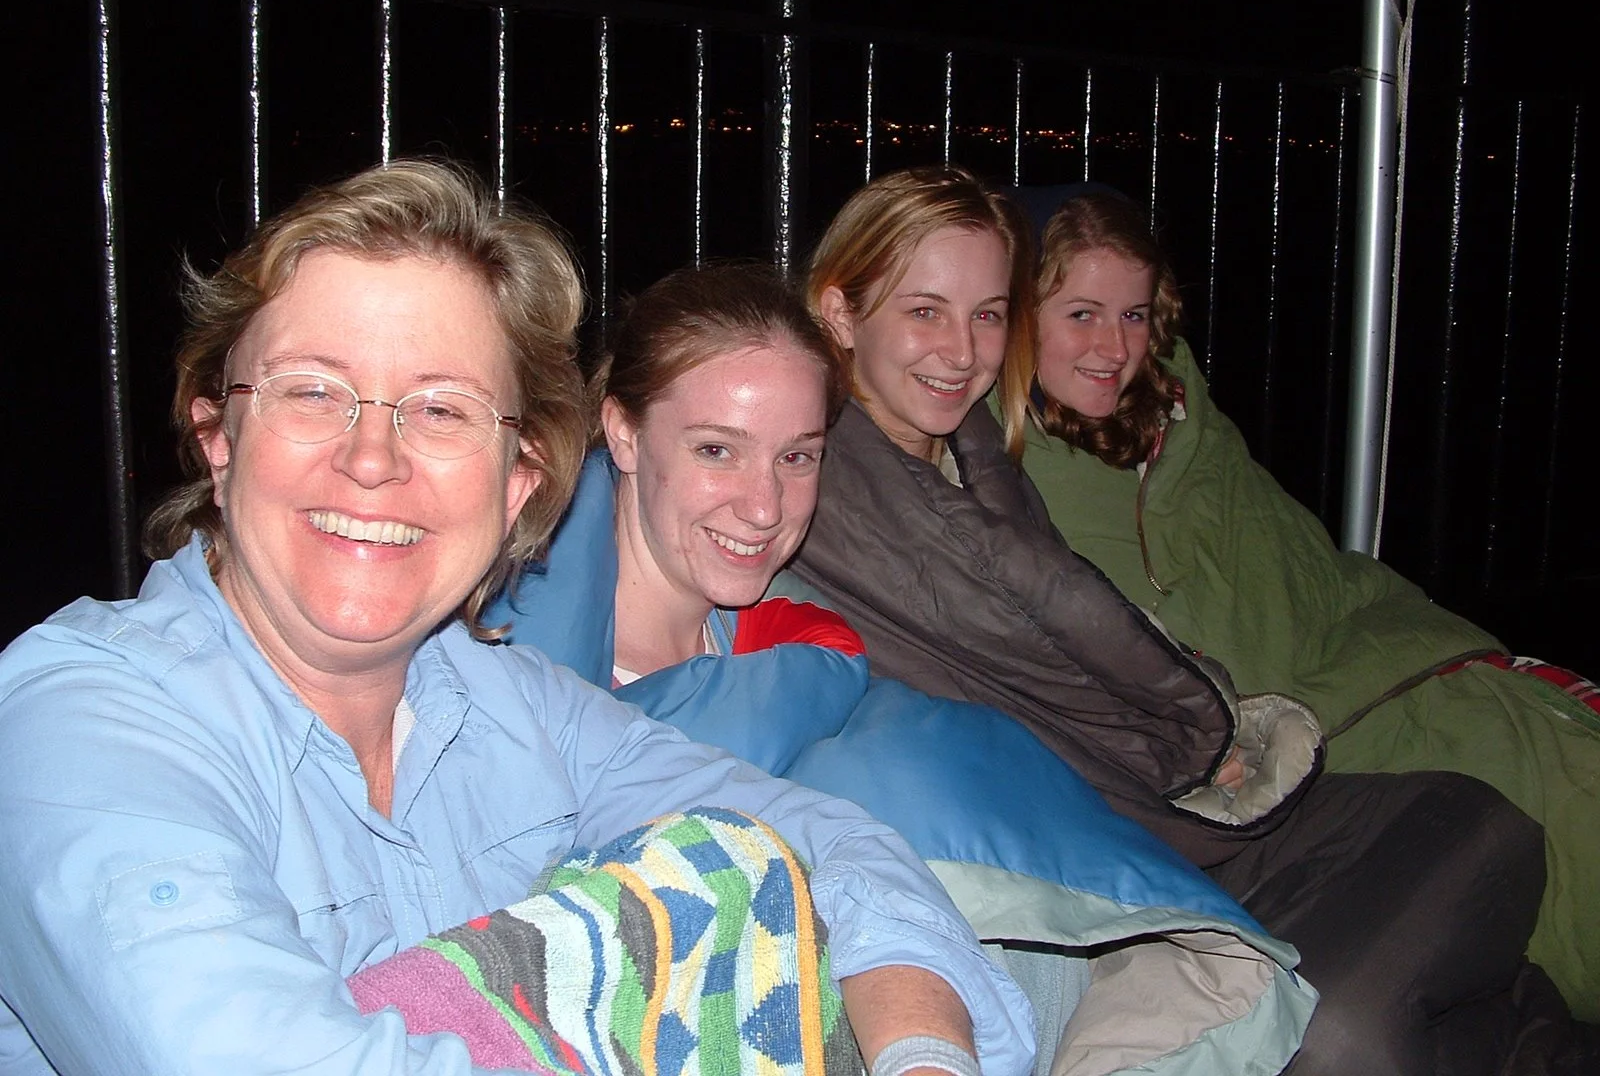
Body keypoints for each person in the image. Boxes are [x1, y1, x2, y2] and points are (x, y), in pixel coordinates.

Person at [0, 160, 1035, 1076]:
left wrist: (926, 1060)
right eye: (313, 392)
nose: (372, 460)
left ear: (518, 481)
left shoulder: (512, 704)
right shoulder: (81, 723)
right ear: (218, 435)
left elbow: (833, 847)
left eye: (442, 410)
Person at [788, 165, 1562, 1075]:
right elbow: (1007, 674)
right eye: (925, 312)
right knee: (1356, 1021)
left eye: (988, 314)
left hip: (1170, 794)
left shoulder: (982, 462)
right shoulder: (821, 487)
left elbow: (1084, 635)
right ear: (840, 315)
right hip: (1114, 839)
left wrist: (1198, 723)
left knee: (1480, 820)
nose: (963, 351)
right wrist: (1181, 733)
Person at [491, 263, 1317, 1075]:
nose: (763, 507)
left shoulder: (814, 648)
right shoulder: (491, 655)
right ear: (625, 433)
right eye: (718, 449)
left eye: (798, 457)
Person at [1006, 187, 1600, 1021]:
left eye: (1136, 316)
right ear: (1018, 315)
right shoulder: (1012, 479)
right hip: (1325, 737)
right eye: (1082, 314)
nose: (1115, 347)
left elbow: (1306, 572)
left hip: (1398, 659)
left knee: (1565, 762)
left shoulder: (1183, 424)